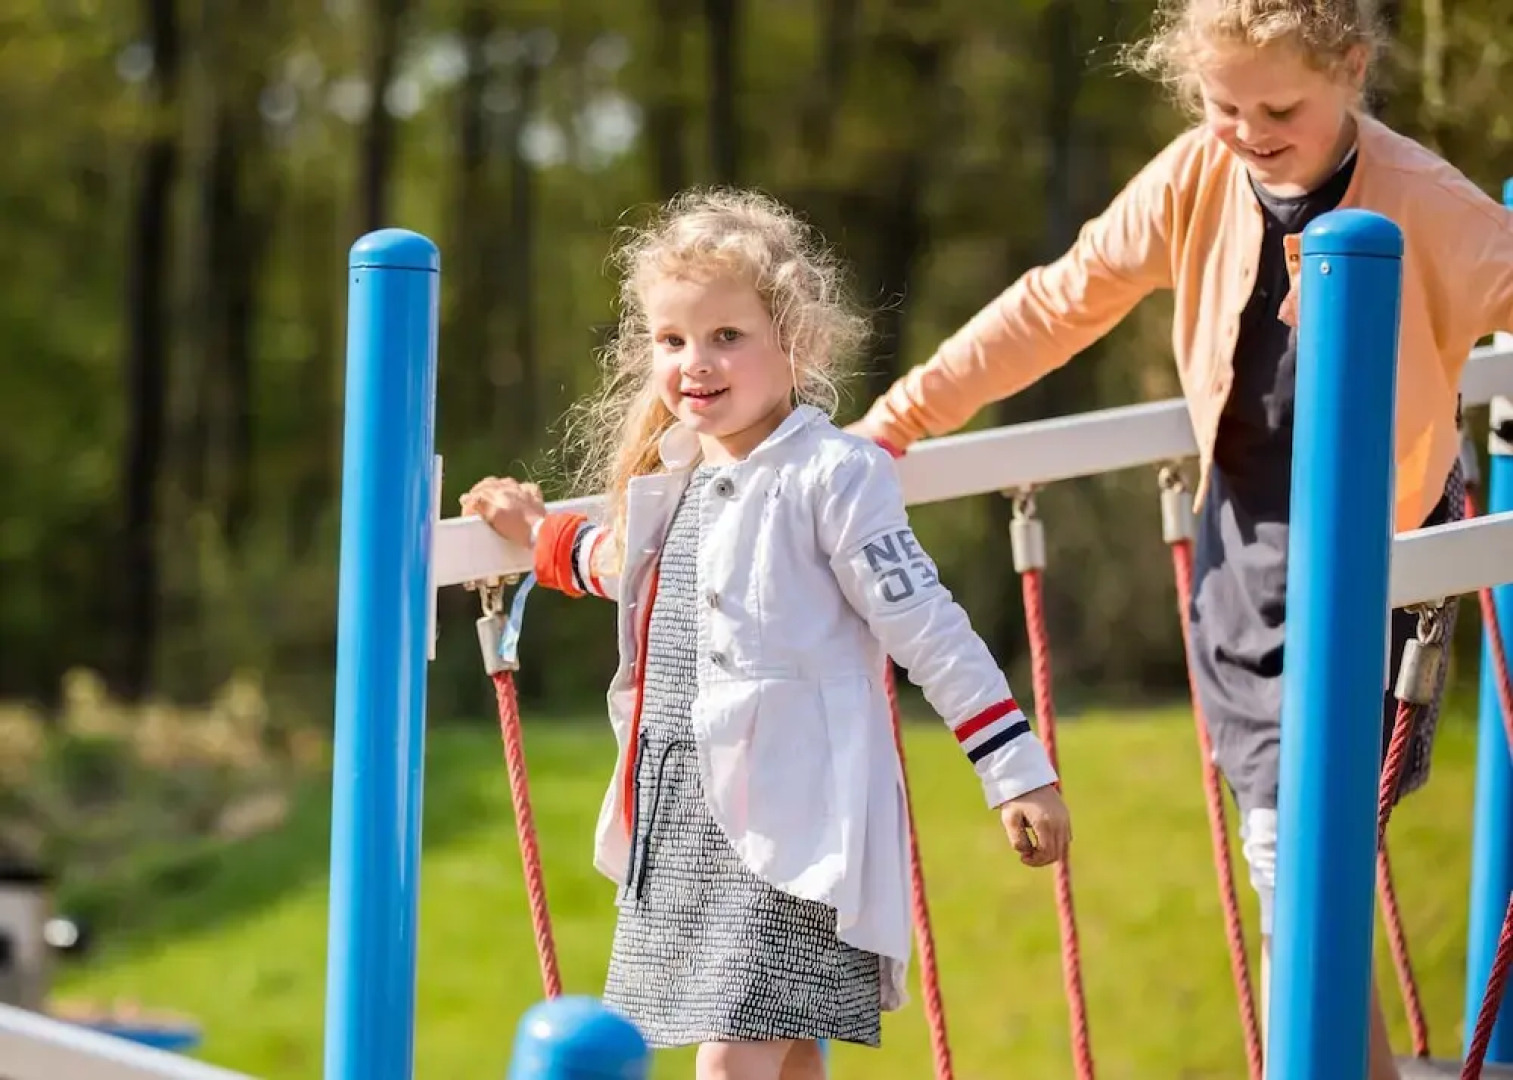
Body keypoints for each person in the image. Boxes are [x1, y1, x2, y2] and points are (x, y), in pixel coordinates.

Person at [846, 0, 1513, 1075]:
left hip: (1377, 571)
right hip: (1244, 561)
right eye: (1220, 103)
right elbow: (1060, 302)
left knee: (1300, 853)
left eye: (1278, 107)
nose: (1246, 128)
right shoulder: (1197, 175)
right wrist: (898, 421)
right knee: (1290, 861)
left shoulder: (1427, 204)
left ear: (1349, 68)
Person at [462, 188, 1073, 1080]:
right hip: (688, 814)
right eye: (672, 341)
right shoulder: (675, 479)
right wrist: (535, 532)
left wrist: (1016, 770)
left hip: (793, 815)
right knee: (782, 1056)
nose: (695, 363)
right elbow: (629, 575)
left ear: (797, 343)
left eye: (726, 337)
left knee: (729, 1058)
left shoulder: (831, 476)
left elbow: (927, 626)